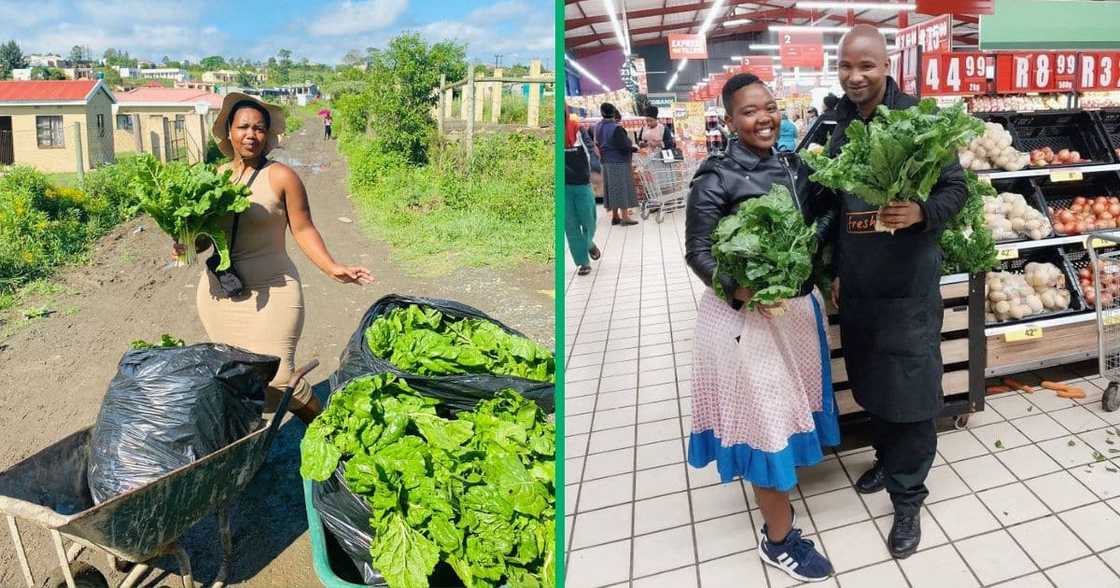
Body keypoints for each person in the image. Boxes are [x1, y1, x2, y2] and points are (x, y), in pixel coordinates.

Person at [685, 72, 840, 584]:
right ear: (729, 120)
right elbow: (699, 252)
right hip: (746, 324)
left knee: (785, 416)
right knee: (766, 425)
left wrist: (827, 272)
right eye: (750, 111)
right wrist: (741, 289)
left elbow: (821, 226)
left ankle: (779, 519)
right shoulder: (714, 178)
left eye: (770, 107)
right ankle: (778, 541)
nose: (764, 118)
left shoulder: (796, 168)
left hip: (794, 316)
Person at [828, 25, 967, 559]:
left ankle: (908, 498)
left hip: (908, 287)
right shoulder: (836, 126)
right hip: (859, 286)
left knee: (909, 387)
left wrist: (921, 212)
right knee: (869, 377)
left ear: (886, 66)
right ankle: (887, 460)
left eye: (866, 66)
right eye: (846, 67)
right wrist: (833, 270)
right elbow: (834, 212)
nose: (855, 76)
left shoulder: (919, 121)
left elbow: (957, 189)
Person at [174, 93, 373, 424]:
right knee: (235, 378)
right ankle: (249, 445)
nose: (251, 135)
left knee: (281, 377)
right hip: (220, 294)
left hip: (274, 288)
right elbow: (203, 239)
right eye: (243, 127)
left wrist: (331, 266)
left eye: (259, 128)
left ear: (268, 134)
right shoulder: (215, 177)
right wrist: (184, 243)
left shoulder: (281, 176)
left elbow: (304, 229)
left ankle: (329, 433)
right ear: (229, 132)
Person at [564, 107, 601, 276]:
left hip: (582, 183)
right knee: (570, 226)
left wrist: (594, 171)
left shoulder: (577, 127)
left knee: (589, 221)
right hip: (563, 187)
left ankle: (588, 244)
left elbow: (591, 150)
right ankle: (582, 262)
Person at [594, 103, 639, 226]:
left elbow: (597, 143)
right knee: (622, 188)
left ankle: (615, 216)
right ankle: (625, 217)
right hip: (618, 162)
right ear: (614, 113)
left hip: (606, 162)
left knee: (612, 188)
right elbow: (624, 146)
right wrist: (635, 148)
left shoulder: (597, 126)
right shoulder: (616, 128)